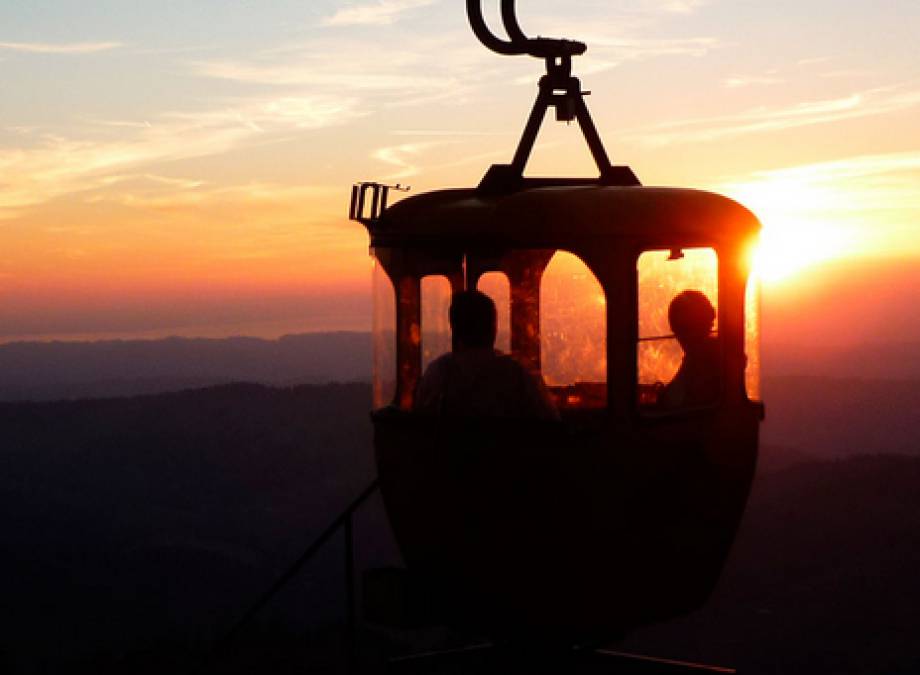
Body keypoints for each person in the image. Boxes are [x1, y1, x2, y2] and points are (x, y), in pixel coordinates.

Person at [414, 289, 559, 419]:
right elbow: (550, 425)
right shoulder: (519, 374)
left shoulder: (438, 374)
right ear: (493, 328)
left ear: (454, 329)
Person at [659, 289, 720, 409]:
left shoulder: (703, 358)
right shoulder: (708, 352)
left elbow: (672, 399)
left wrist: (661, 396)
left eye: (682, 329)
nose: (678, 337)